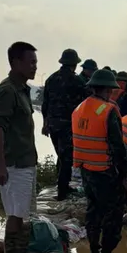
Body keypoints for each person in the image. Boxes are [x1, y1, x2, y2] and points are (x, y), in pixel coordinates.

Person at [72, 68, 127, 253]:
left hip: (86, 170)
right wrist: (124, 178)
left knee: (93, 212)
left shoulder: (79, 108)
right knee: (113, 216)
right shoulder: (107, 110)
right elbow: (118, 147)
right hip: (105, 171)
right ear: (107, 89)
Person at [0, 41, 38, 253]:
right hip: (14, 164)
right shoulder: (7, 90)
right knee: (15, 213)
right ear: (15, 62)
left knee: (25, 212)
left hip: (27, 161)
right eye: (30, 62)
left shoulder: (23, 89)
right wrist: (0, 165)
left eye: (36, 63)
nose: (34, 67)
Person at [42, 48, 87, 200]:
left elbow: (45, 104)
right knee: (67, 158)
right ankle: (62, 192)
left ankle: (63, 185)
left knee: (61, 157)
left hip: (53, 125)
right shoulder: (78, 81)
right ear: (74, 64)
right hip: (69, 126)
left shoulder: (51, 79)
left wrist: (45, 123)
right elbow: (85, 104)